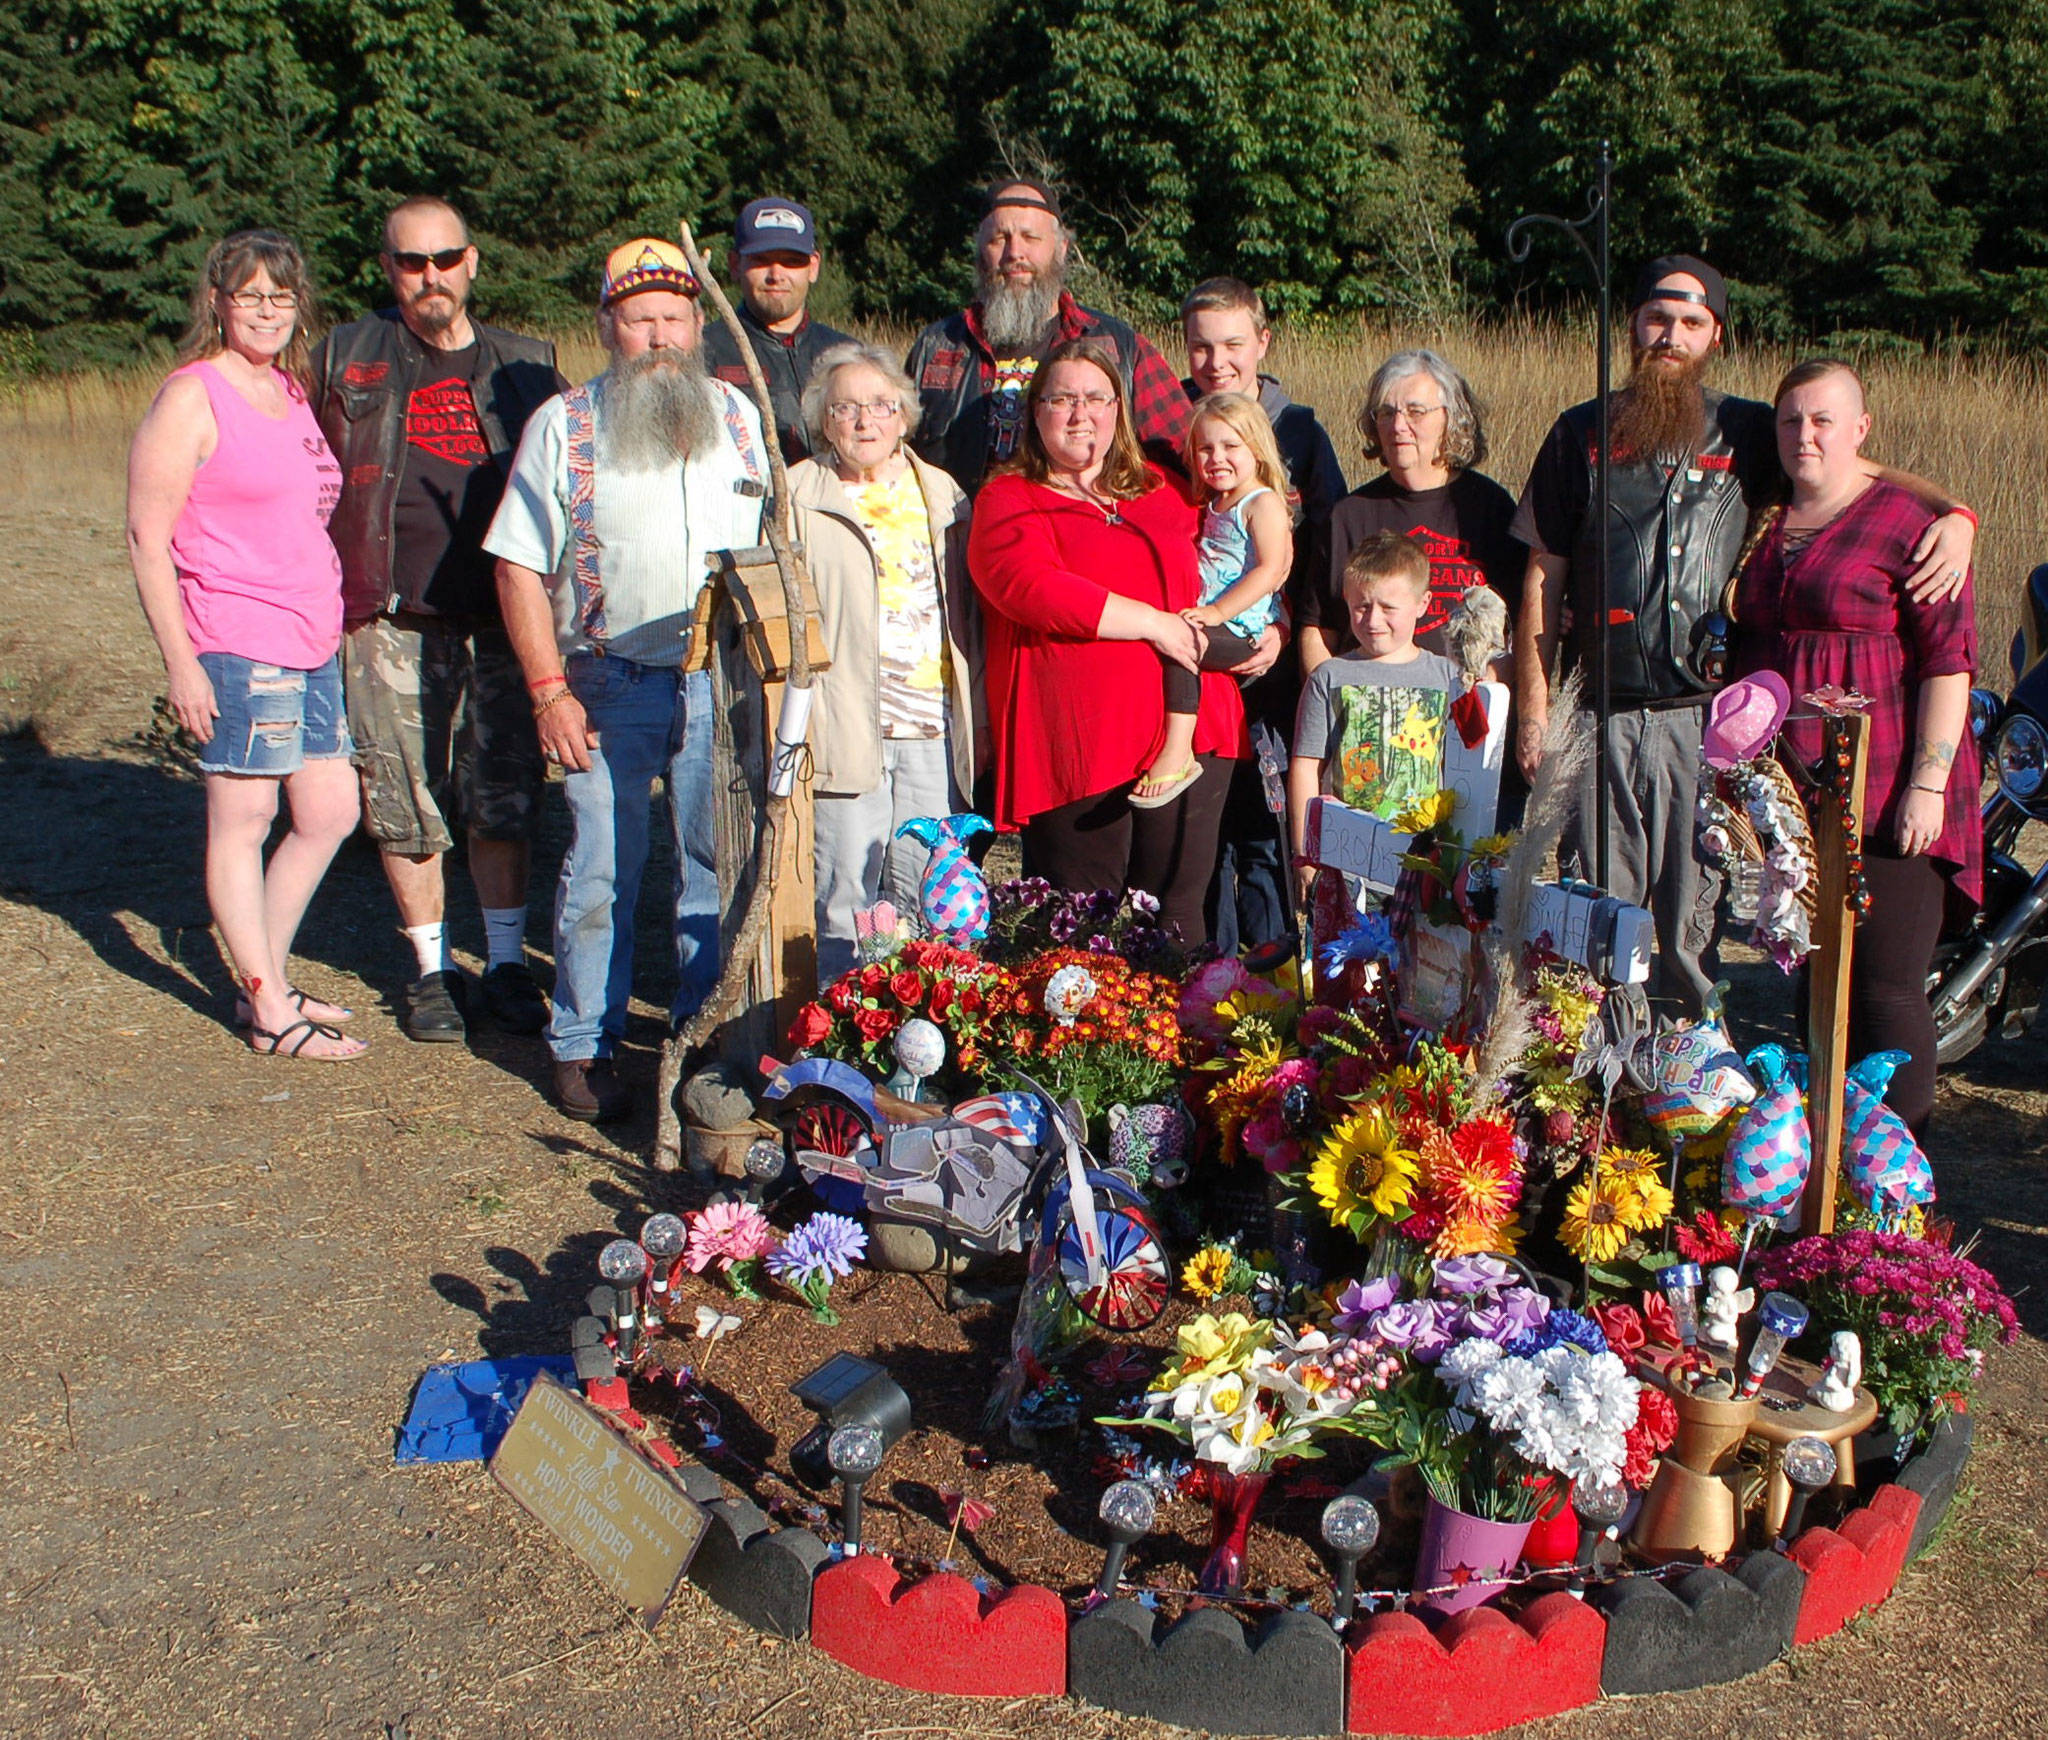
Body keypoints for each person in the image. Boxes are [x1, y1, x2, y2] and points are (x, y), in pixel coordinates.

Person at [1512, 254, 1977, 1018]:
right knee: (1598, 925)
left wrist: (1958, 515)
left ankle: (1693, 1099)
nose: (1671, 335)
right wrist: (1538, 710)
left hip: (1706, 725)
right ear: (1632, 325)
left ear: (1714, 337)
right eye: (1658, 318)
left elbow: (1853, 468)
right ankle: (1601, 1095)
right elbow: (1541, 576)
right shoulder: (1578, 434)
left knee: (1695, 932)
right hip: (1601, 716)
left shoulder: (1753, 431)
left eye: (1692, 322)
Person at [486, 239, 767, 1121]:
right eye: (640, 319)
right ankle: (583, 1042)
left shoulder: (736, 415)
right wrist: (546, 690)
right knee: (604, 866)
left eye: (674, 318)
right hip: (606, 680)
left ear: (698, 326)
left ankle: (704, 1035)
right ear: (608, 325)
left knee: (712, 862)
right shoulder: (566, 426)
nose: (659, 337)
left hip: (718, 684)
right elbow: (518, 565)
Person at [310, 195, 566, 1043]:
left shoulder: (527, 367)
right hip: (388, 616)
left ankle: (502, 964)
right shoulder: (346, 358)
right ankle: (428, 972)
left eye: (445, 259)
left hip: (502, 617)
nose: (431, 277)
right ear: (388, 268)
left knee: (503, 797)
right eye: (412, 262)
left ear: (473, 261)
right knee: (403, 795)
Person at [127, 229, 364, 1060]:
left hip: (311, 636)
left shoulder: (290, 392)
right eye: (249, 295)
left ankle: (262, 969)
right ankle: (268, 1009)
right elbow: (145, 538)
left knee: (331, 811)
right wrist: (181, 662)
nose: (266, 310)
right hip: (235, 636)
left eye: (281, 295)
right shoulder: (193, 395)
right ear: (218, 303)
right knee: (247, 814)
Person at [1730, 360, 1979, 1135]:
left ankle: (1899, 1198)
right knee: (1814, 987)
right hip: (1795, 798)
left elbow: (1949, 661)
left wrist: (1928, 785)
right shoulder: (1763, 517)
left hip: (1888, 784)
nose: (1804, 436)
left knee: (1884, 990)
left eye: (1823, 420)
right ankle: (1830, 1176)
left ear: (1861, 431)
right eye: (1790, 421)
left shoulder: (1910, 526)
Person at [968, 337, 1245, 944]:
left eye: (1096, 398)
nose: (1079, 413)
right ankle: (1093, 1043)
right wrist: (1154, 622)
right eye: (1062, 398)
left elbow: (1239, 553)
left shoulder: (1168, 489)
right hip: (1080, 739)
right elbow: (1028, 586)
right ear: (1034, 409)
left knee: (1176, 917)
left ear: (1119, 409)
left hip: (1195, 728)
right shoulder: (1010, 499)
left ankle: (1183, 1040)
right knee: (1081, 923)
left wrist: (1267, 631)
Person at [788, 343, 978, 981]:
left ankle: (930, 1037)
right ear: (823, 419)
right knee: (847, 893)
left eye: (880, 405)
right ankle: (843, 1038)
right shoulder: (795, 495)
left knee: (931, 888)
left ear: (904, 415)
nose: (865, 421)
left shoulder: (943, 492)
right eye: (846, 408)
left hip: (933, 724)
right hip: (845, 729)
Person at [1178, 276, 1346, 953]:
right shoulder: (1177, 431)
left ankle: (1275, 973)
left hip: (1270, 666)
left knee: (1266, 828)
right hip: (1205, 666)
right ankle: (1207, 970)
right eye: (1201, 348)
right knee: (1205, 827)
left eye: (1232, 345)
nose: (1217, 362)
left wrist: (1284, 628)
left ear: (1262, 342)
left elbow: (1322, 548)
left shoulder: (1300, 431)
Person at [905, 179, 1192, 493]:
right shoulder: (936, 347)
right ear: (980, 249)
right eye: (1000, 238)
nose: (1015, 253)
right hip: (959, 537)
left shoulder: (1118, 346)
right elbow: (889, 460)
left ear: (1061, 248)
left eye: (1031, 237)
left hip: (1078, 537)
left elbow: (1186, 455)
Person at [1288, 534, 1462, 942]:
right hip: (1346, 863)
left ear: (1422, 604)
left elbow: (1465, 769)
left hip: (1424, 863)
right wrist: (1305, 853)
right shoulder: (1330, 677)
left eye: (1388, 607)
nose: (1372, 619)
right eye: (1361, 606)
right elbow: (1305, 766)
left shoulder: (1448, 678)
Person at [1306, 350, 1520, 670]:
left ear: (1451, 418)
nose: (1398, 425)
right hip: (1368, 705)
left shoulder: (1491, 508)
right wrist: (1330, 702)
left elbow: (1518, 627)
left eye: (1416, 412)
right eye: (1386, 413)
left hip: (1466, 706)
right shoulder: (1349, 516)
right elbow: (1318, 630)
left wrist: (1486, 699)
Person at [1132, 392, 1293, 808]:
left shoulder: (1263, 503)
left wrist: (1218, 611)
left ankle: (1178, 750)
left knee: (1184, 642)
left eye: (1230, 446)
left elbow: (1270, 570)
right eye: (1205, 448)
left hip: (1245, 628)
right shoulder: (1218, 502)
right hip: (1217, 618)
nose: (1216, 457)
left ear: (1256, 448)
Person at [701, 197, 855, 465]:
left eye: (792, 261)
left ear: (813, 267)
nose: (776, 274)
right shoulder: (703, 353)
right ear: (735, 265)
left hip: (835, 504)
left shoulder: (849, 355)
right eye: (761, 260)